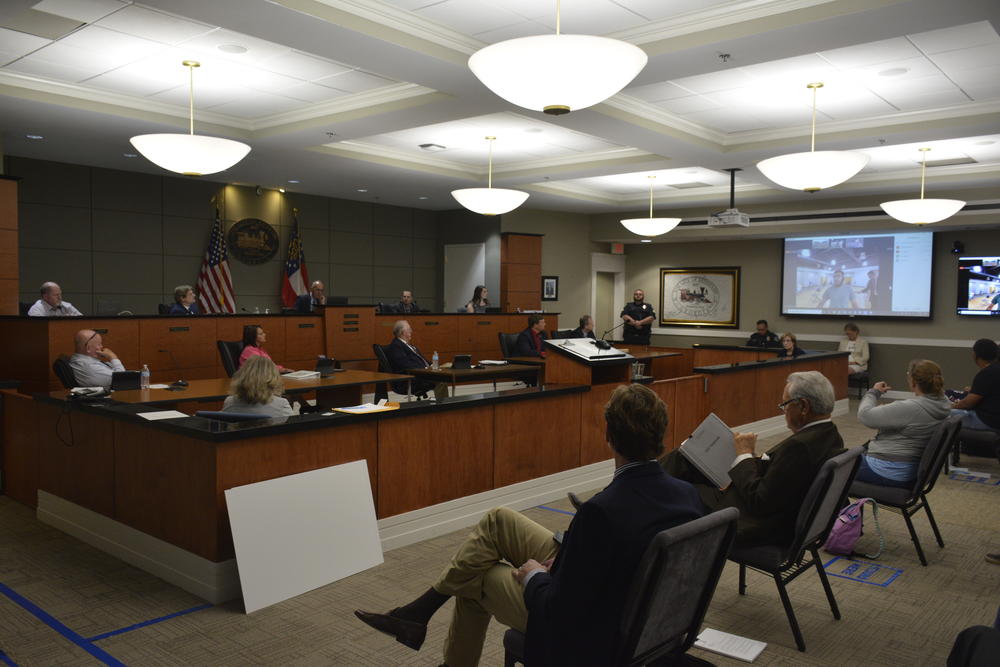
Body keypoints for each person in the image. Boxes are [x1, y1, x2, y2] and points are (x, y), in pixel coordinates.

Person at [354, 384, 705, 667]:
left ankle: (420, 621)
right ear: (660, 434)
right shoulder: (685, 495)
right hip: (627, 601)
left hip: (592, 630)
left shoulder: (602, 512)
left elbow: (560, 609)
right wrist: (570, 554)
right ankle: (417, 613)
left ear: (609, 437)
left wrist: (535, 575)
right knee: (498, 520)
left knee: (476, 578)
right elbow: (625, 549)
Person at [662, 370, 845, 546]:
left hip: (749, 521)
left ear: (804, 406)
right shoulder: (830, 434)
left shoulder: (800, 447)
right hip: (772, 511)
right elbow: (784, 478)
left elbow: (760, 501)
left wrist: (744, 455)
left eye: (785, 405)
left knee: (682, 482)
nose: (784, 412)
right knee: (687, 458)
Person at [854, 360, 950, 488]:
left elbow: (865, 416)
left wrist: (873, 392)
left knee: (829, 464)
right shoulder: (944, 403)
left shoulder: (911, 408)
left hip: (888, 470)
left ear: (914, 382)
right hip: (910, 469)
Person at [385, 320, 448, 400]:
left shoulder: (410, 346)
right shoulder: (396, 346)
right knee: (441, 381)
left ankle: (443, 404)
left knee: (443, 376)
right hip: (411, 380)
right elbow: (405, 364)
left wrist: (432, 365)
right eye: (409, 330)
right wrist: (425, 369)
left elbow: (423, 360)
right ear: (403, 332)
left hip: (422, 374)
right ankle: (443, 406)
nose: (411, 331)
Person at [950, 338, 1000, 434]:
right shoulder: (995, 370)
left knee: (942, 415)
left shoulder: (987, 373)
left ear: (975, 355)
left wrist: (950, 406)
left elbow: (967, 404)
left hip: (990, 422)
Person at [222, 355, 294, 418]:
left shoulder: (229, 402)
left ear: (242, 375)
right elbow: (293, 430)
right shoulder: (281, 404)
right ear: (273, 378)